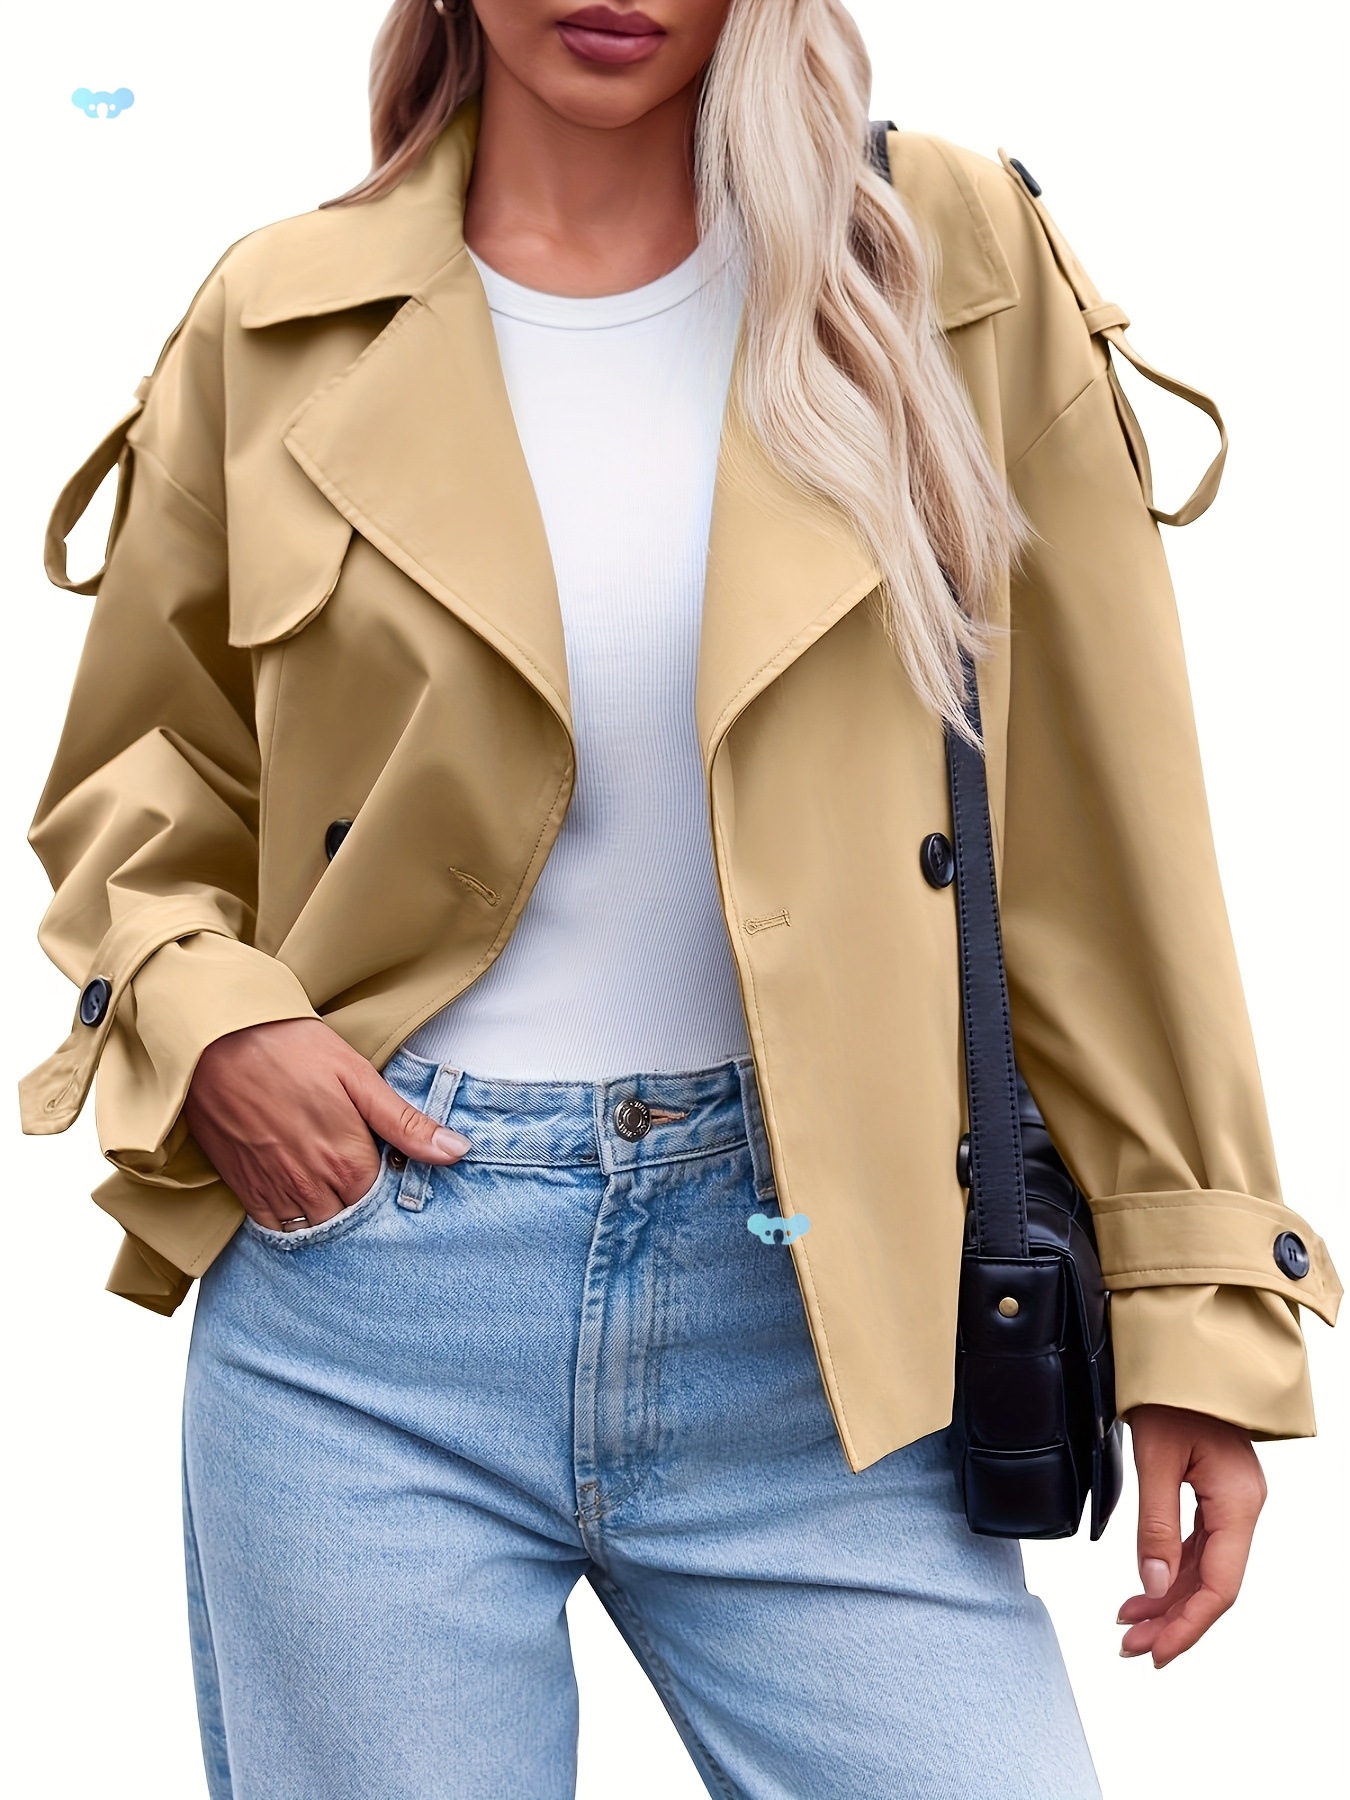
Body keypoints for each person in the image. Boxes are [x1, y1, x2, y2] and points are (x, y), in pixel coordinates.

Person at [22, 2, 1341, 1796]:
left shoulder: (943, 263)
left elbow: (1107, 825)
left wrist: (1193, 1301)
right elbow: (140, 775)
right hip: (366, 1299)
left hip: (831, 1307)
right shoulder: (279, 313)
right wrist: (215, 1019)